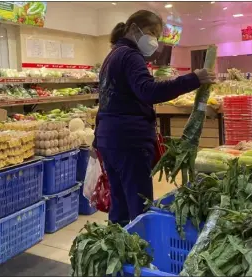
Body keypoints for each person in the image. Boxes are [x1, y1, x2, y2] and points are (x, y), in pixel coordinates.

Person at [93, 10, 216, 226]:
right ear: (133, 29)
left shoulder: (112, 55)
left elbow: (106, 100)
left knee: (120, 203)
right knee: (139, 203)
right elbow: (149, 91)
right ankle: (143, 249)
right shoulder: (131, 56)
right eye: (151, 33)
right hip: (129, 140)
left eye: (157, 37)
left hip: (109, 138)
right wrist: (192, 79)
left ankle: (118, 247)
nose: (154, 41)